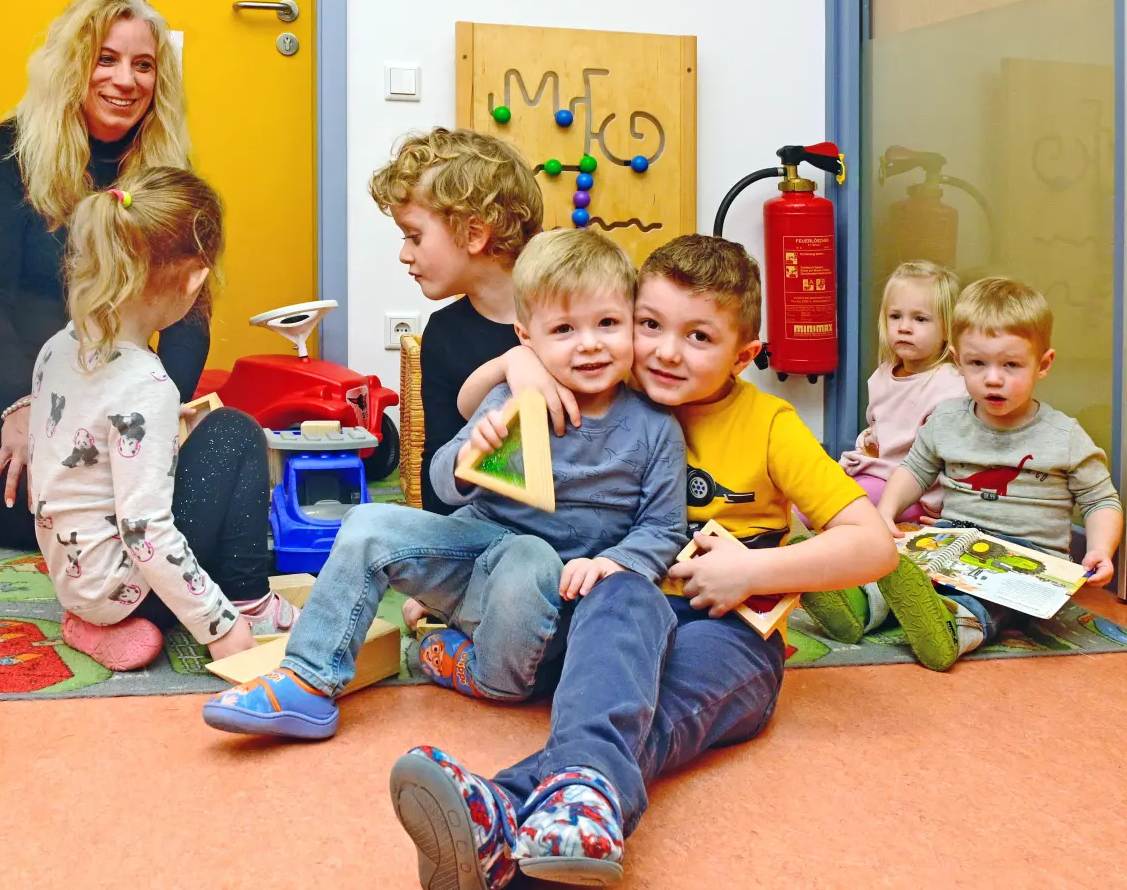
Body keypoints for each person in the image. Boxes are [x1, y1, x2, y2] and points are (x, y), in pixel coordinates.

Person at [386, 234, 899, 888]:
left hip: (726, 629)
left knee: (656, 710)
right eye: (650, 325)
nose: (664, 351)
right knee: (621, 591)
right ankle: (563, 811)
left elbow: (873, 544)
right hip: (609, 622)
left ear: (743, 356)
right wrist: (518, 367)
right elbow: (491, 423)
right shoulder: (605, 382)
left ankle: (510, 811)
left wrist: (752, 571)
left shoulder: (769, 424)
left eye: (699, 337)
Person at [200, 228, 686, 740]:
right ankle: (308, 679)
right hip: (475, 558)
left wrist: (613, 562)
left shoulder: (655, 428)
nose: (589, 344)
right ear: (527, 338)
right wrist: (470, 453)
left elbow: (663, 528)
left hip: (553, 599)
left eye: (608, 323)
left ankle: (468, 665)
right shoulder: (512, 396)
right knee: (365, 523)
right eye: (563, 329)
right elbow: (442, 484)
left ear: (632, 324)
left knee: (530, 556)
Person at [0, 0, 207, 549]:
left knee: (135, 490)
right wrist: (23, 405)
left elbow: (190, 314)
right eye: (105, 59)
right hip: (4, 382)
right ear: (73, 65)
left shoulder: (168, 170)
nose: (125, 80)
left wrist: (157, 415)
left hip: (114, 387)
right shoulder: (7, 150)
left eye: (143, 65)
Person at [26, 168, 297, 672]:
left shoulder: (55, 350)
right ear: (195, 278)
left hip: (74, 576)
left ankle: (92, 625)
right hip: (131, 588)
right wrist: (219, 626)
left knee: (200, 448)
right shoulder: (147, 383)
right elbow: (145, 530)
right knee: (234, 430)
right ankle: (249, 604)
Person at [872, 277, 1122, 671]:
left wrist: (1100, 550)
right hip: (954, 538)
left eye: (1011, 365)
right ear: (957, 360)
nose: (993, 378)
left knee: (996, 599)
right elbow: (914, 470)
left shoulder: (1064, 435)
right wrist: (885, 512)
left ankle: (953, 628)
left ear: (1043, 364)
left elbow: (1100, 499)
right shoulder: (947, 419)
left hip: (1028, 559)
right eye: (977, 364)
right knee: (889, 563)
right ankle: (862, 605)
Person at [367, 128, 544, 515]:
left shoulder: (579, 318)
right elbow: (436, 491)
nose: (403, 254)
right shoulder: (444, 334)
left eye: (414, 236)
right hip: (481, 534)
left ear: (475, 233)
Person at [801, 260, 967, 642]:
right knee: (815, 484)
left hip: (911, 489)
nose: (904, 327)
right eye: (896, 316)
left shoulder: (948, 385)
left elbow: (937, 454)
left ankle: (819, 560)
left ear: (948, 330)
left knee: (843, 501)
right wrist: (866, 444)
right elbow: (880, 429)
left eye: (920, 319)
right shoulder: (883, 375)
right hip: (878, 470)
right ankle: (791, 533)